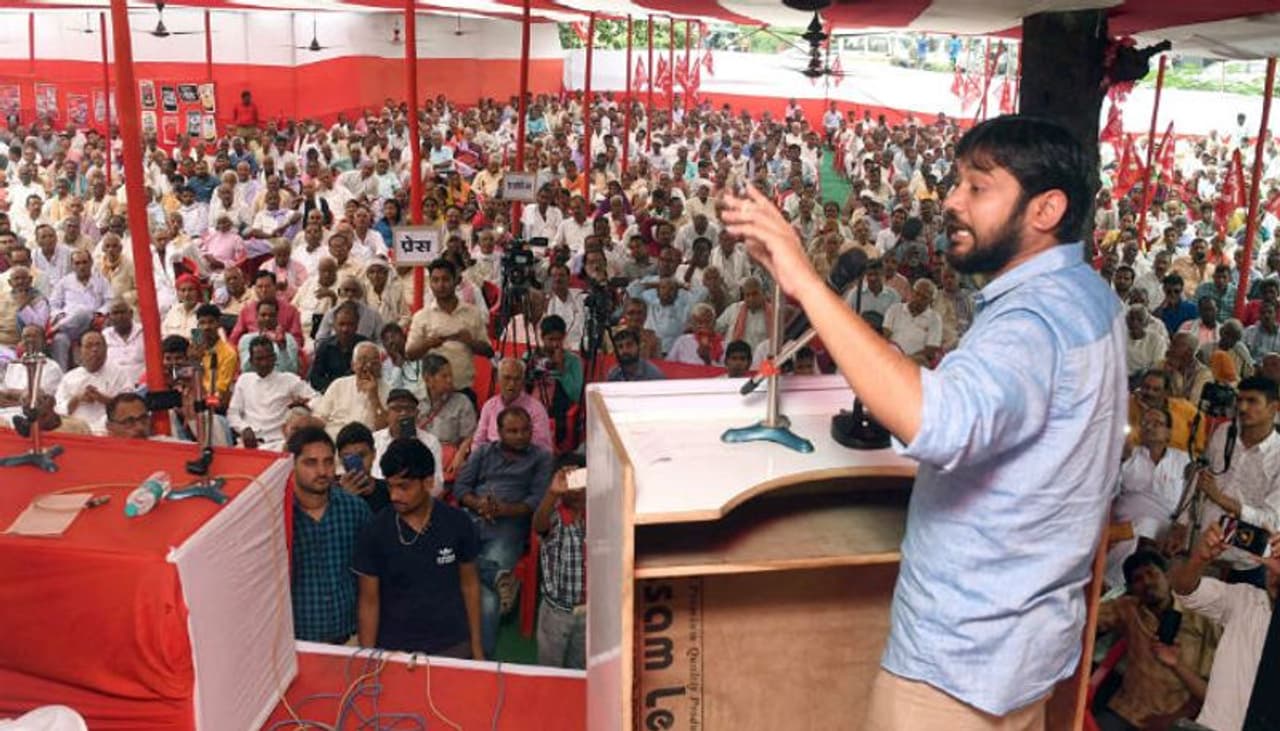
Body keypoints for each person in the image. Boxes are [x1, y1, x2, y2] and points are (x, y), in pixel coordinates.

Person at [723, 115, 1126, 726]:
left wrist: (804, 280)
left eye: (978, 187)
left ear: (1046, 210)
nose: (952, 201)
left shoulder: (1032, 324)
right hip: (1022, 651)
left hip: (958, 666)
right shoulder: (1086, 296)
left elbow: (934, 421)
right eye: (956, 182)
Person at [354, 438, 484, 659]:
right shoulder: (374, 532)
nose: (394, 496)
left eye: (404, 487)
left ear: (428, 483)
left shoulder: (458, 524)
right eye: (390, 486)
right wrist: (369, 658)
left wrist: (477, 648)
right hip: (394, 650)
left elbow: (470, 586)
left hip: (451, 645)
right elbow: (369, 601)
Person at [453, 406, 552, 659]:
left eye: (525, 430)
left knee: (485, 595)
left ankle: (482, 657)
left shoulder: (541, 458)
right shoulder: (484, 452)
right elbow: (461, 487)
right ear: (499, 432)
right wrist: (479, 504)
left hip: (509, 525)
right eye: (513, 431)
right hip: (472, 517)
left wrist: (503, 509)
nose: (521, 436)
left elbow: (537, 500)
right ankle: (496, 575)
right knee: (446, 553)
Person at [1169, 523, 1279, 731]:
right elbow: (1185, 591)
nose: (1275, 572)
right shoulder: (1246, 599)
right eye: (1274, 560)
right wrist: (1199, 559)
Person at [1093, 551, 1217, 731]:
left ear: (1167, 576)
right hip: (1128, 710)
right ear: (1131, 589)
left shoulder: (1201, 619)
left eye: (1152, 573)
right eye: (1138, 579)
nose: (1147, 582)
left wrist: (1171, 720)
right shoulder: (1129, 608)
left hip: (1177, 718)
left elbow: (1212, 690)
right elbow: (1087, 617)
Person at [1183, 375, 1280, 587]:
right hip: (1202, 548)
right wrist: (1181, 524)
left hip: (1245, 562)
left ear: (1274, 408)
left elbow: (1271, 520)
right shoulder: (1223, 432)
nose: (1243, 407)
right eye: (1240, 400)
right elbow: (1200, 479)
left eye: (1252, 401)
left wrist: (1220, 498)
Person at [287, 426, 371, 644]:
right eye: (310, 463)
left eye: (328, 462)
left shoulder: (355, 509)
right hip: (295, 641)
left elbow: (370, 576)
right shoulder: (277, 515)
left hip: (350, 637)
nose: (322, 471)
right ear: (291, 465)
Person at [404, 258, 493, 395]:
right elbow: (409, 354)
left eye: (445, 279)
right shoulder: (421, 316)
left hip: (463, 389)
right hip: (432, 392)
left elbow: (488, 351)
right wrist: (428, 344)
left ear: (455, 281)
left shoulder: (472, 313)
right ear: (430, 284)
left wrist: (470, 342)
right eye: (435, 280)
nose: (441, 285)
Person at [533, 459, 587, 669]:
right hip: (556, 611)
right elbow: (539, 525)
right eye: (571, 483)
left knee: (580, 666)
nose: (578, 490)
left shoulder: (597, 514)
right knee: (550, 666)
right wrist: (553, 493)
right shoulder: (555, 515)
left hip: (588, 611)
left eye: (582, 481)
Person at [227, 336, 318, 450]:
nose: (264, 363)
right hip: (249, 443)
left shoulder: (289, 380)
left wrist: (305, 405)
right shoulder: (244, 380)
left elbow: (317, 400)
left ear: (275, 358)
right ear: (251, 361)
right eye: (259, 359)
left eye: (268, 358)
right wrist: (244, 428)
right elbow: (233, 413)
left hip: (280, 444)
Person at [53, 331, 132, 434]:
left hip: (108, 430)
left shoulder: (120, 373)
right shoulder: (69, 377)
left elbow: (129, 406)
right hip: (75, 430)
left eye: (98, 345)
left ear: (106, 349)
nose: (94, 349)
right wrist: (77, 399)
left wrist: (102, 398)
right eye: (89, 346)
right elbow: (57, 409)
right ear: (79, 352)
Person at [472, 358, 554, 455]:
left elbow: (543, 449)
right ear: (497, 379)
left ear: (523, 382)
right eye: (507, 378)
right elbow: (478, 441)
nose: (512, 384)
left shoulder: (536, 409)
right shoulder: (489, 406)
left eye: (517, 379)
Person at [312, 341, 389, 440]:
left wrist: (374, 396)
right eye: (363, 360)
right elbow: (320, 418)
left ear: (380, 366)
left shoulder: (388, 391)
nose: (368, 365)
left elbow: (383, 429)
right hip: (333, 439)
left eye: (374, 362)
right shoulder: (339, 385)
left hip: (364, 443)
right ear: (353, 365)